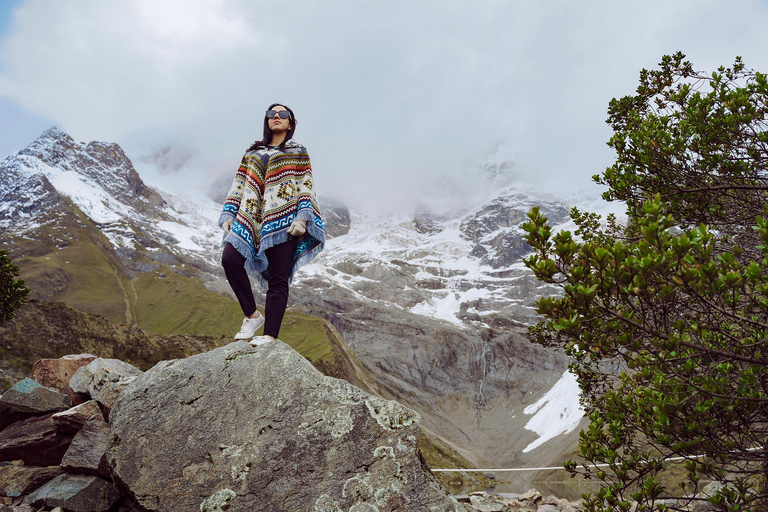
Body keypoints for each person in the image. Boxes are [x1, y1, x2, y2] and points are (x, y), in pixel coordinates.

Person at [219, 103, 325, 346]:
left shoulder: (298, 151)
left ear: (290, 123)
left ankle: (269, 335)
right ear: (267, 121)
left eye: (282, 114)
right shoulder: (252, 151)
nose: (276, 117)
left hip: (285, 222)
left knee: (279, 278)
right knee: (229, 259)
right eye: (271, 114)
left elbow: (305, 185)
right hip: (250, 219)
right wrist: (229, 214)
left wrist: (302, 219)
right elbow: (239, 183)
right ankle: (252, 316)